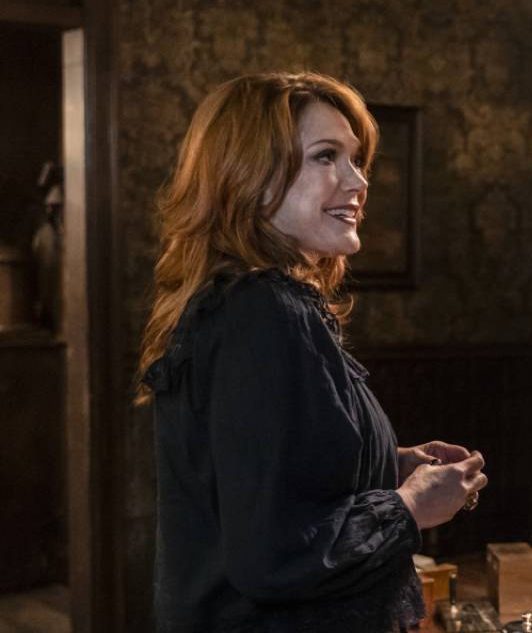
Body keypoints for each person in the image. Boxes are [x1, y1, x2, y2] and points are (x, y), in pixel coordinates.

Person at [136, 72, 488, 632]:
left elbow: (261, 476)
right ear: (251, 176)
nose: (358, 181)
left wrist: (389, 464)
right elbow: (274, 553)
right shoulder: (263, 310)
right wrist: (411, 506)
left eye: (357, 160)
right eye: (327, 156)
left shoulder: (241, 302)